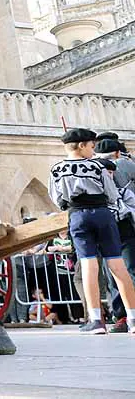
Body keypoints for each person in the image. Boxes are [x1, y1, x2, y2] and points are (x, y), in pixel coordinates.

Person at [48, 128, 135, 335]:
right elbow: (112, 194)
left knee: (88, 266)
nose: (93, 150)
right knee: (117, 265)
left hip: (77, 215)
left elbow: (56, 198)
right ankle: (132, 317)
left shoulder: (57, 169)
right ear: (82, 146)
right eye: (91, 146)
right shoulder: (98, 167)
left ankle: (96, 320)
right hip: (102, 214)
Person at [95, 137, 135, 332]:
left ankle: (120, 315)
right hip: (124, 226)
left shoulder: (92, 168)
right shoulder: (127, 164)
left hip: (108, 227)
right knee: (129, 270)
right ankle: (127, 315)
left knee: (113, 274)